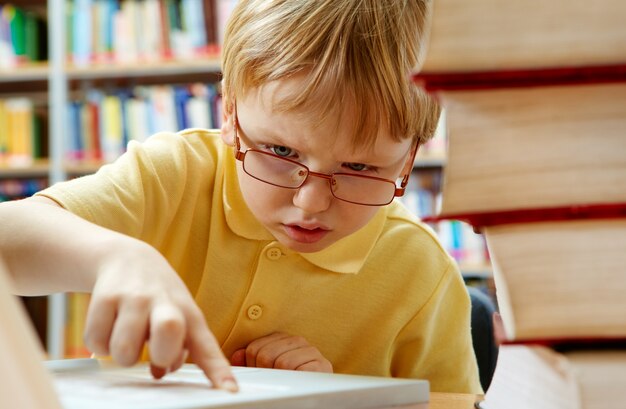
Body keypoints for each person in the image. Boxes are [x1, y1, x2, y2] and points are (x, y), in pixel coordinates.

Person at [0, 0, 481, 394]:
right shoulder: (173, 176)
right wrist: (114, 256)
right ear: (229, 112)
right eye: (280, 150)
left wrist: (335, 401)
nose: (311, 202)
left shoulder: (423, 274)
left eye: (359, 168)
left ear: (410, 158)